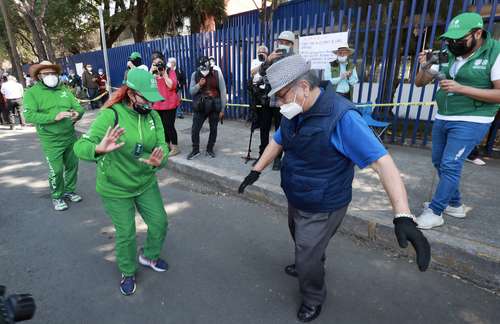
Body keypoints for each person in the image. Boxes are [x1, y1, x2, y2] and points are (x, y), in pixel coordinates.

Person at [238, 55, 431, 322]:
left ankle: (313, 296)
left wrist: (402, 214)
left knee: (307, 253)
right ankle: (311, 259)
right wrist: (255, 170)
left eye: (281, 96)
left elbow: (383, 163)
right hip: (298, 195)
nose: (279, 103)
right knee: (301, 239)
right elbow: (278, 140)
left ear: (303, 87)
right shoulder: (295, 110)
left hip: (324, 203)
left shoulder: (342, 117)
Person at [73, 68, 170, 296]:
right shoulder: (111, 115)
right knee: (126, 233)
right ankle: (127, 271)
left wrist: (160, 159)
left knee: (160, 223)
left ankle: (149, 256)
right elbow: (80, 147)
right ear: (131, 94)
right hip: (115, 188)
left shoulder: (153, 116)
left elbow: (162, 145)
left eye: (152, 99)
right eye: (146, 98)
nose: (150, 104)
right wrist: (98, 148)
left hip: (145, 182)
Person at [415, 12, 500, 229]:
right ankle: (454, 204)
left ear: (478, 33)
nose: (454, 44)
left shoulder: (495, 53)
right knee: (438, 161)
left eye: (460, 39)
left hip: (473, 118)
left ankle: (435, 211)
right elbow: (419, 83)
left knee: (451, 164)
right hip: (444, 115)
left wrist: (461, 89)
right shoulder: (447, 52)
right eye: (451, 39)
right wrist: (425, 66)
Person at [23, 61, 85, 211]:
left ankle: (69, 191)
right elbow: (28, 116)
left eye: (53, 73)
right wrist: (53, 117)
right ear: (39, 76)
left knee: (72, 166)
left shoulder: (63, 90)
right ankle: (57, 196)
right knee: (56, 170)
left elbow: (78, 107)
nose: (51, 76)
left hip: (70, 136)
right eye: (46, 73)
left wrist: (78, 114)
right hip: (51, 140)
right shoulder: (32, 93)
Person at [249, 45, 283, 170]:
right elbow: (259, 73)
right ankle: (262, 155)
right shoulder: (264, 63)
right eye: (260, 52)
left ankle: (278, 159)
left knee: (279, 131)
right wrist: (267, 61)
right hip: (265, 100)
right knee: (264, 129)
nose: (261, 54)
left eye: (264, 52)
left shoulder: (280, 61)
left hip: (279, 101)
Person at [187, 56, 227, 159]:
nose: (204, 71)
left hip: (214, 105)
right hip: (200, 106)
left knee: (213, 128)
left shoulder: (217, 73)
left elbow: (223, 91)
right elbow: (191, 91)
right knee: (195, 129)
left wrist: (222, 109)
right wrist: (199, 85)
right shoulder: (195, 74)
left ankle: (210, 149)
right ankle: (195, 150)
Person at [151, 54, 181, 156]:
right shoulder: (153, 73)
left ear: (163, 62)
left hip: (170, 104)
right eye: (155, 63)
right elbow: (149, 87)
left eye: (159, 63)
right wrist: (151, 73)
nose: (157, 65)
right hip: (158, 104)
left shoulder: (169, 71)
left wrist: (164, 74)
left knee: (169, 126)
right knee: (162, 126)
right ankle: (167, 145)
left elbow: (172, 85)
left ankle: (175, 147)